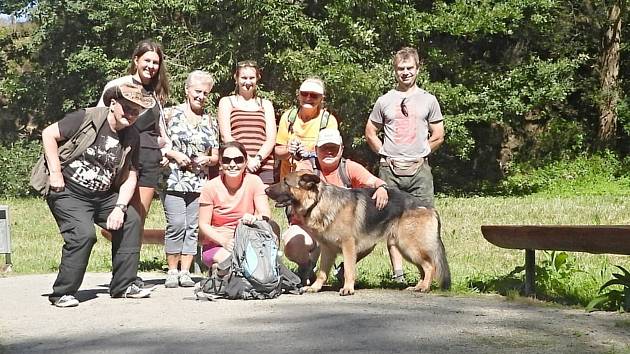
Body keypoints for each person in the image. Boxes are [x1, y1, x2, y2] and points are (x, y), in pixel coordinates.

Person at [42, 83, 156, 307]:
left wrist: (120, 207)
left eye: (137, 111)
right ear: (113, 104)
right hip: (69, 191)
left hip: (103, 195)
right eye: (127, 108)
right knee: (84, 235)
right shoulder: (87, 117)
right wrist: (55, 173)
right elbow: (48, 134)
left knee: (132, 220)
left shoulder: (132, 135)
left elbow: (131, 175)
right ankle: (63, 292)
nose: (131, 115)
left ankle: (124, 285)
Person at [365, 46, 445, 283]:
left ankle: (427, 276)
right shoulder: (385, 100)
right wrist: (383, 152)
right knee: (391, 222)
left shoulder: (428, 100)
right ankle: (397, 274)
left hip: (419, 169)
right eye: (401, 69)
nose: (405, 73)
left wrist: (423, 152)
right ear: (394, 71)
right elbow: (370, 131)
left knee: (423, 220)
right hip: (390, 169)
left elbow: (439, 133)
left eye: (410, 68)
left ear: (418, 69)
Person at [282, 128, 390, 285]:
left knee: (367, 235)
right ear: (316, 150)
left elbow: (374, 181)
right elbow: (295, 182)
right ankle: (307, 269)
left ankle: (343, 272)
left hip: (333, 230)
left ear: (341, 150)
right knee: (293, 244)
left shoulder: (348, 167)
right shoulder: (307, 168)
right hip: (309, 230)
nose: (329, 152)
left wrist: (382, 188)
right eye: (324, 148)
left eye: (333, 148)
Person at [97, 39, 171, 227]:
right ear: (136, 60)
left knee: (137, 220)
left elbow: (160, 127)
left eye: (155, 62)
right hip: (122, 159)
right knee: (119, 215)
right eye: (147, 61)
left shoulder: (155, 92)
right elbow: (99, 119)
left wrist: (166, 150)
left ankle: (132, 257)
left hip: (148, 159)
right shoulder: (118, 85)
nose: (151, 66)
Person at [161, 70, 219, 288]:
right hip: (173, 179)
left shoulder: (210, 121)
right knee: (176, 223)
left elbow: (215, 156)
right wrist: (174, 154)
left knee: (192, 226)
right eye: (197, 91)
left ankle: (185, 271)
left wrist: (207, 159)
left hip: (199, 182)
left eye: (205, 93)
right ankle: (172, 270)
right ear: (187, 90)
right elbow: (159, 144)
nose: (201, 96)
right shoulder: (168, 114)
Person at [198, 141, 272, 269]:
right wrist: (224, 242)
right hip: (218, 244)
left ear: (245, 162)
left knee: (273, 228)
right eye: (227, 160)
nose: (232, 165)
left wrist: (255, 218)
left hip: (248, 240)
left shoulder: (254, 181)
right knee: (234, 261)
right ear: (220, 163)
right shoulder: (210, 187)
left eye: (238, 160)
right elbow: (203, 224)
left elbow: (265, 213)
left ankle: (221, 273)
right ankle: (221, 271)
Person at [217, 60, 276, 184]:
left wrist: (257, 159)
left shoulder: (266, 104)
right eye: (244, 77)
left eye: (251, 78)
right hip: (234, 164)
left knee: (260, 202)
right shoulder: (227, 102)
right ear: (236, 78)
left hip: (262, 166)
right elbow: (226, 136)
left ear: (257, 79)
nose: (248, 82)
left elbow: (271, 139)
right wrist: (246, 159)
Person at [275, 77, 338, 179]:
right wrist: (289, 150)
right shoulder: (288, 117)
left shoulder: (328, 121)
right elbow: (277, 151)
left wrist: (310, 154)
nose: (308, 98)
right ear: (298, 95)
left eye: (314, 95)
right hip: (288, 182)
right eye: (304, 93)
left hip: (316, 183)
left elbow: (333, 155)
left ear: (322, 98)